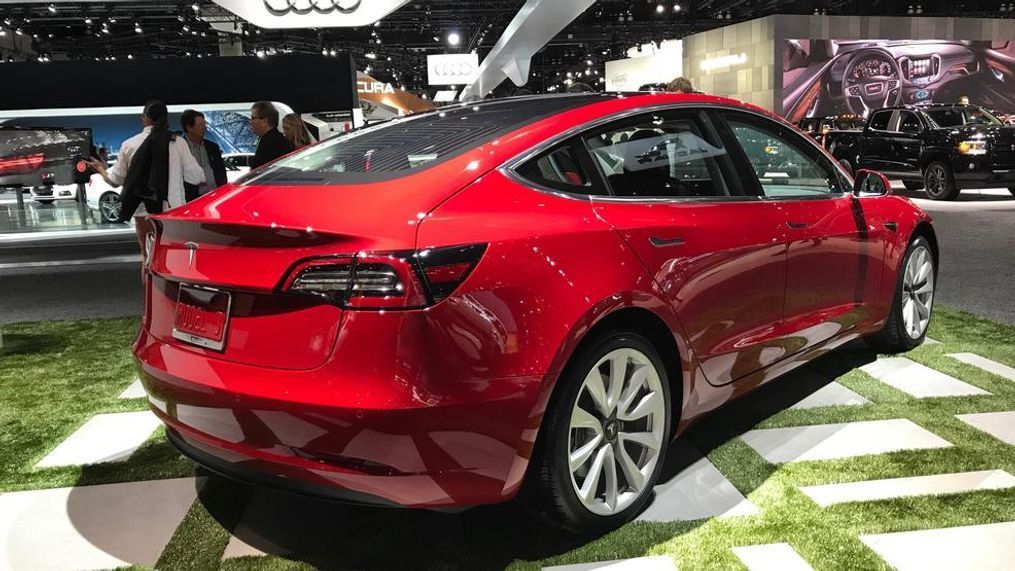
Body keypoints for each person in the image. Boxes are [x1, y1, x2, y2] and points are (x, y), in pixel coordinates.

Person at [86, 100, 204, 234]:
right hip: (172, 210)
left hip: (143, 212)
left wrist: (101, 169)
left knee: (147, 254)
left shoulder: (129, 145)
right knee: (169, 252)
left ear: (146, 117)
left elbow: (115, 181)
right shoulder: (178, 142)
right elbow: (196, 177)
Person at [180, 109, 227, 201]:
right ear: (189, 127)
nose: (204, 128)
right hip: (191, 200)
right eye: (200, 125)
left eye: (204, 124)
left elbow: (221, 172)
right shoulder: (180, 147)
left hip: (215, 197)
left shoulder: (212, 147)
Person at [249, 101, 292, 169]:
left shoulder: (272, 142)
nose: (250, 122)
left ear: (265, 121)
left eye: (253, 118)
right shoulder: (274, 139)